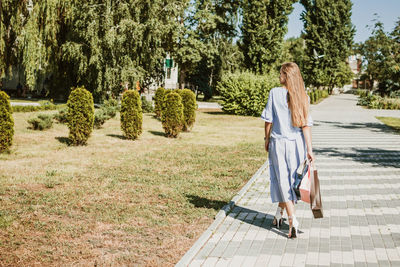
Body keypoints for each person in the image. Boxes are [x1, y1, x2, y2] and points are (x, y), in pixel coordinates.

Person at [261, 62, 314, 238]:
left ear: (285, 75)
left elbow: (268, 120)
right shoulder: (303, 96)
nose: (278, 76)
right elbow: (306, 125)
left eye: (280, 73)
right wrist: (309, 149)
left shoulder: (275, 93)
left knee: (283, 181)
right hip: (297, 144)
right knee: (292, 181)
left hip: (278, 143)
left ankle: (292, 220)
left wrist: (266, 139)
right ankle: (279, 215)